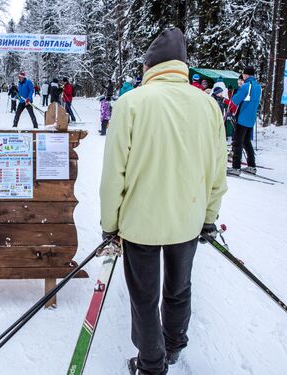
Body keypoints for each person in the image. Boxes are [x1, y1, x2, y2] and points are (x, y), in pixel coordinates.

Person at [99, 27, 227, 375]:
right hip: (187, 220)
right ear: (183, 66)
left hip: (140, 223)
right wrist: (209, 216)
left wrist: (109, 225)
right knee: (179, 287)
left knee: (144, 297)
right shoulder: (208, 105)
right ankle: (173, 345)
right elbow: (218, 171)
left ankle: (151, 364)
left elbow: (114, 174)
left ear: (150, 66)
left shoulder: (131, 102)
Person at [228, 66, 261, 175]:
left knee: (237, 142)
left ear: (245, 74)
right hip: (251, 119)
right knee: (247, 142)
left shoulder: (246, 86)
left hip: (242, 118)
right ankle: (252, 166)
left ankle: (236, 167)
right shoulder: (258, 87)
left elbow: (235, 101)